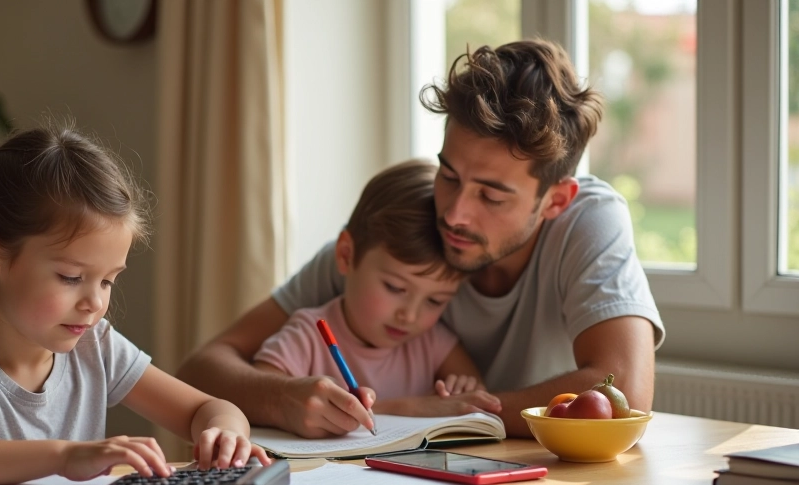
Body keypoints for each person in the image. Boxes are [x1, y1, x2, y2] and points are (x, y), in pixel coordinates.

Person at [177, 39, 665, 438]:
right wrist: (281, 397)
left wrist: (441, 412)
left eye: (492, 197)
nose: (453, 214)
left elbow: (621, 389)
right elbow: (204, 367)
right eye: (449, 176)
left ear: (555, 200)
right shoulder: (396, 243)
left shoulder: (588, 222)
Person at [0, 124, 270, 485]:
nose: (95, 303)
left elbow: (208, 408)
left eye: (108, 281)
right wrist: (63, 457)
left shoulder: (97, 346)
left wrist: (225, 433)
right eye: (71, 277)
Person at [252, 159, 500, 436]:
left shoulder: (433, 343)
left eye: (435, 301)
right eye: (395, 288)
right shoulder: (307, 335)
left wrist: (463, 390)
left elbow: (478, 400)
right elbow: (256, 396)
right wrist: (411, 408)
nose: (410, 315)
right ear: (346, 255)